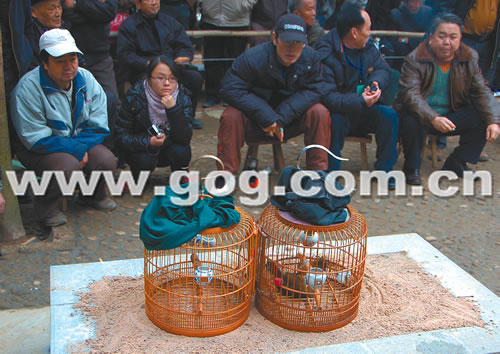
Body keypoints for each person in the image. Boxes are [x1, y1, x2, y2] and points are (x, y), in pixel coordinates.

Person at [11, 29, 117, 227]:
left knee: (107, 159)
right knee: (66, 166)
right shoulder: (28, 88)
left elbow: (99, 125)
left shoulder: (86, 79)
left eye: (73, 59)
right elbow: (34, 137)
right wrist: (76, 150)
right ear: (45, 63)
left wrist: (80, 147)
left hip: (77, 140)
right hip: (39, 148)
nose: (68, 66)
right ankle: (46, 208)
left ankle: (93, 195)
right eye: (60, 61)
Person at [217, 14, 331, 175]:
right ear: (275, 38)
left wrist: (281, 117)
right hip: (255, 120)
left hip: (289, 120)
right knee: (231, 115)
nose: (292, 49)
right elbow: (229, 88)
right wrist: (266, 116)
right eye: (287, 42)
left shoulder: (312, 58)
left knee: (319, 112)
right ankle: (226, 175)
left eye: (298, 43)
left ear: (305, 42)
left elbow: (317, 89)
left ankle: (318, 174)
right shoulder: (252, 58)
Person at [395, 13, 500, 185]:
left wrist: (494, 120)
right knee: (410, 115)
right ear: (431, 38)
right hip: (423, 115)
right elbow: (410, 94)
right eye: (442, 36)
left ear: (460, 39)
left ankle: (457, 162)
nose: (447, 42)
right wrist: (433, 118)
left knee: (482, 115)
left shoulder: (469, 57)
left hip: (452, 113)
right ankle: (411, 167)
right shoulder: (415, 58)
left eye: (453, 37)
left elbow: (482, 90)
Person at [315, 5, 399, 179]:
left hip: (363, 108)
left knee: (388, 115)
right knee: (334, 121)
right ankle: (331, 175)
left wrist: (375, 83)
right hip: (338, 111)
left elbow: (383, 69)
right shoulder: (325, 52)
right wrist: (360, 101)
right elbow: (327, 96)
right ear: (354, 32)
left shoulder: (368, 47)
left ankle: (384, 171)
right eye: (367, 29)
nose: (370, 33)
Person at [117, 0, 203, 128]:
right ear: (138, 4)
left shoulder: (170, 22)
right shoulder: (129, 25)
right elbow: (126, 54)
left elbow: (184, 45)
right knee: (145, 83)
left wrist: (181, 58)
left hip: (173, 68)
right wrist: (147, 64)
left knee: (194, 77)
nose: (154, 2)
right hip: (145, 70)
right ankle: (148, 122)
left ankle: (188, 116)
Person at [115, 56, 193, 179]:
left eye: (172, 78)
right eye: (160, 78)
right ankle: (138, 177)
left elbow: (185, 137)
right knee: (143, 160)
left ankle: (180, 176)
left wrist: (173, 109)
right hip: (143, 149)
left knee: (182, 151)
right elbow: (121, 136)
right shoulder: (134, 96)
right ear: (149, 78)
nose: (167, 83)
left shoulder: (182, 96)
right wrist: (148, 141)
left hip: (169, 145)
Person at [200, 0, 257, 108]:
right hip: (211, 20)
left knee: (235, 62)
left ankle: (231, 95)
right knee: (212, 61)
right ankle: (212, 95)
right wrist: (203, 3)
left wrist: (245, 4)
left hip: (238, 21)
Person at [435, 0, 500, 90]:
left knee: (481, 88)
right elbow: (446, 7)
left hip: (489, 44)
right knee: (456, 84)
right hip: (464, 39)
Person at [62, 0, 119, 99]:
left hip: (100, 56)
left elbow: (108, 11)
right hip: (71, 54)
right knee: (74, 99)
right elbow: (65, 12)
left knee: (110, 98)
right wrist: (94, 14)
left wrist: (76, 3)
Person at [31, 0, 66, 66]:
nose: (58, 14)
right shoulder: (31, 38)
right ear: (33, 12)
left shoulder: (64, 31)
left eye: (59, 7)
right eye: (51, 9)